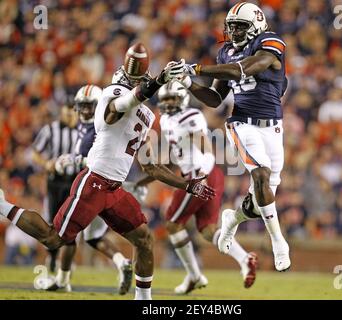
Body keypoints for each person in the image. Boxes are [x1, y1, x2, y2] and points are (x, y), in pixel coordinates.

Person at [0, 45, 215, 300]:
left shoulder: (146, 114)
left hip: (115, 188)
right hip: (94, 181)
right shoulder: (113, 95)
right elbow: (121, 106)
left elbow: (150, 166)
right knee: (54, 238)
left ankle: (143, 300)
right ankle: (3, 205)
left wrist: (187, 185)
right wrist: (157, 80)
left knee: (144, 240)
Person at [170, 2, 291, 271]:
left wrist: (196, 69)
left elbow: (244, 68)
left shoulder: (271, 42)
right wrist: (188, 83)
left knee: (259, 202)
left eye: (240, 26)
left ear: (257, 24)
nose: (234, 31)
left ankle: (232, 220)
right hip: (242, 123)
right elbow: (215, 98)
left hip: (273, 128)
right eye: (231, 26)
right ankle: (278, 242)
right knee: (259, 175)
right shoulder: (225, 52)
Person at [135, 80, 257, 294]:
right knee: (208, 230)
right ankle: (244, 259)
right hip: (203, 175)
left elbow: (206, 149)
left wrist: (201, 177)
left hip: (200, 175)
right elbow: (177, 155)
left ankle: (194, 275)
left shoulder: (191, 116)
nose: (169, 103)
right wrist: (146, 179)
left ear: (182, 98)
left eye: (172, 98)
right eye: (165, 99)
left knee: (173, 223)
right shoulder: (165, 120)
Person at [47, 84, 133, 294]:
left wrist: (71, 161)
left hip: (91, 185)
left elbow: (98, 159)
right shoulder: (84, 126)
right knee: (93, 237)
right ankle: (122, 262)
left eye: (90, 106)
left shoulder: (99, 127)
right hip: (99, 185)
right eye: (82, 106)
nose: (85, 111)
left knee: (66, 234)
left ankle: (62, 279)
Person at [31, 102, 78, 273]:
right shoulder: (50, 130)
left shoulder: (84, 131)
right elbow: (35, 153)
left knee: (71, 222)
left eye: (72, 114)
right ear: (61, 114)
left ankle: (66, 263)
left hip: (74, 181)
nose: (70, 117)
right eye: (67, 114)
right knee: (52, 222)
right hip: (55, 182)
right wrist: (46, 164)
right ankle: (52, 257)